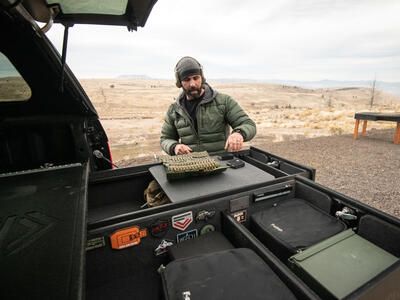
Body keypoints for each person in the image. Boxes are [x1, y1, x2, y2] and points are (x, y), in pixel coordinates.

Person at [161, 56, 256, 155]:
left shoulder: (223, 101)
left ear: (202, 78)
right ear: (180, 82)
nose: (192, 84)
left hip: (221, 164)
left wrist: (239, 133)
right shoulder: (174, 110)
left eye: (196, 78)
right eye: (187, 79)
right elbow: (165, 139)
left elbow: (249, 124)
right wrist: (174, 147)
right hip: (190, 165)